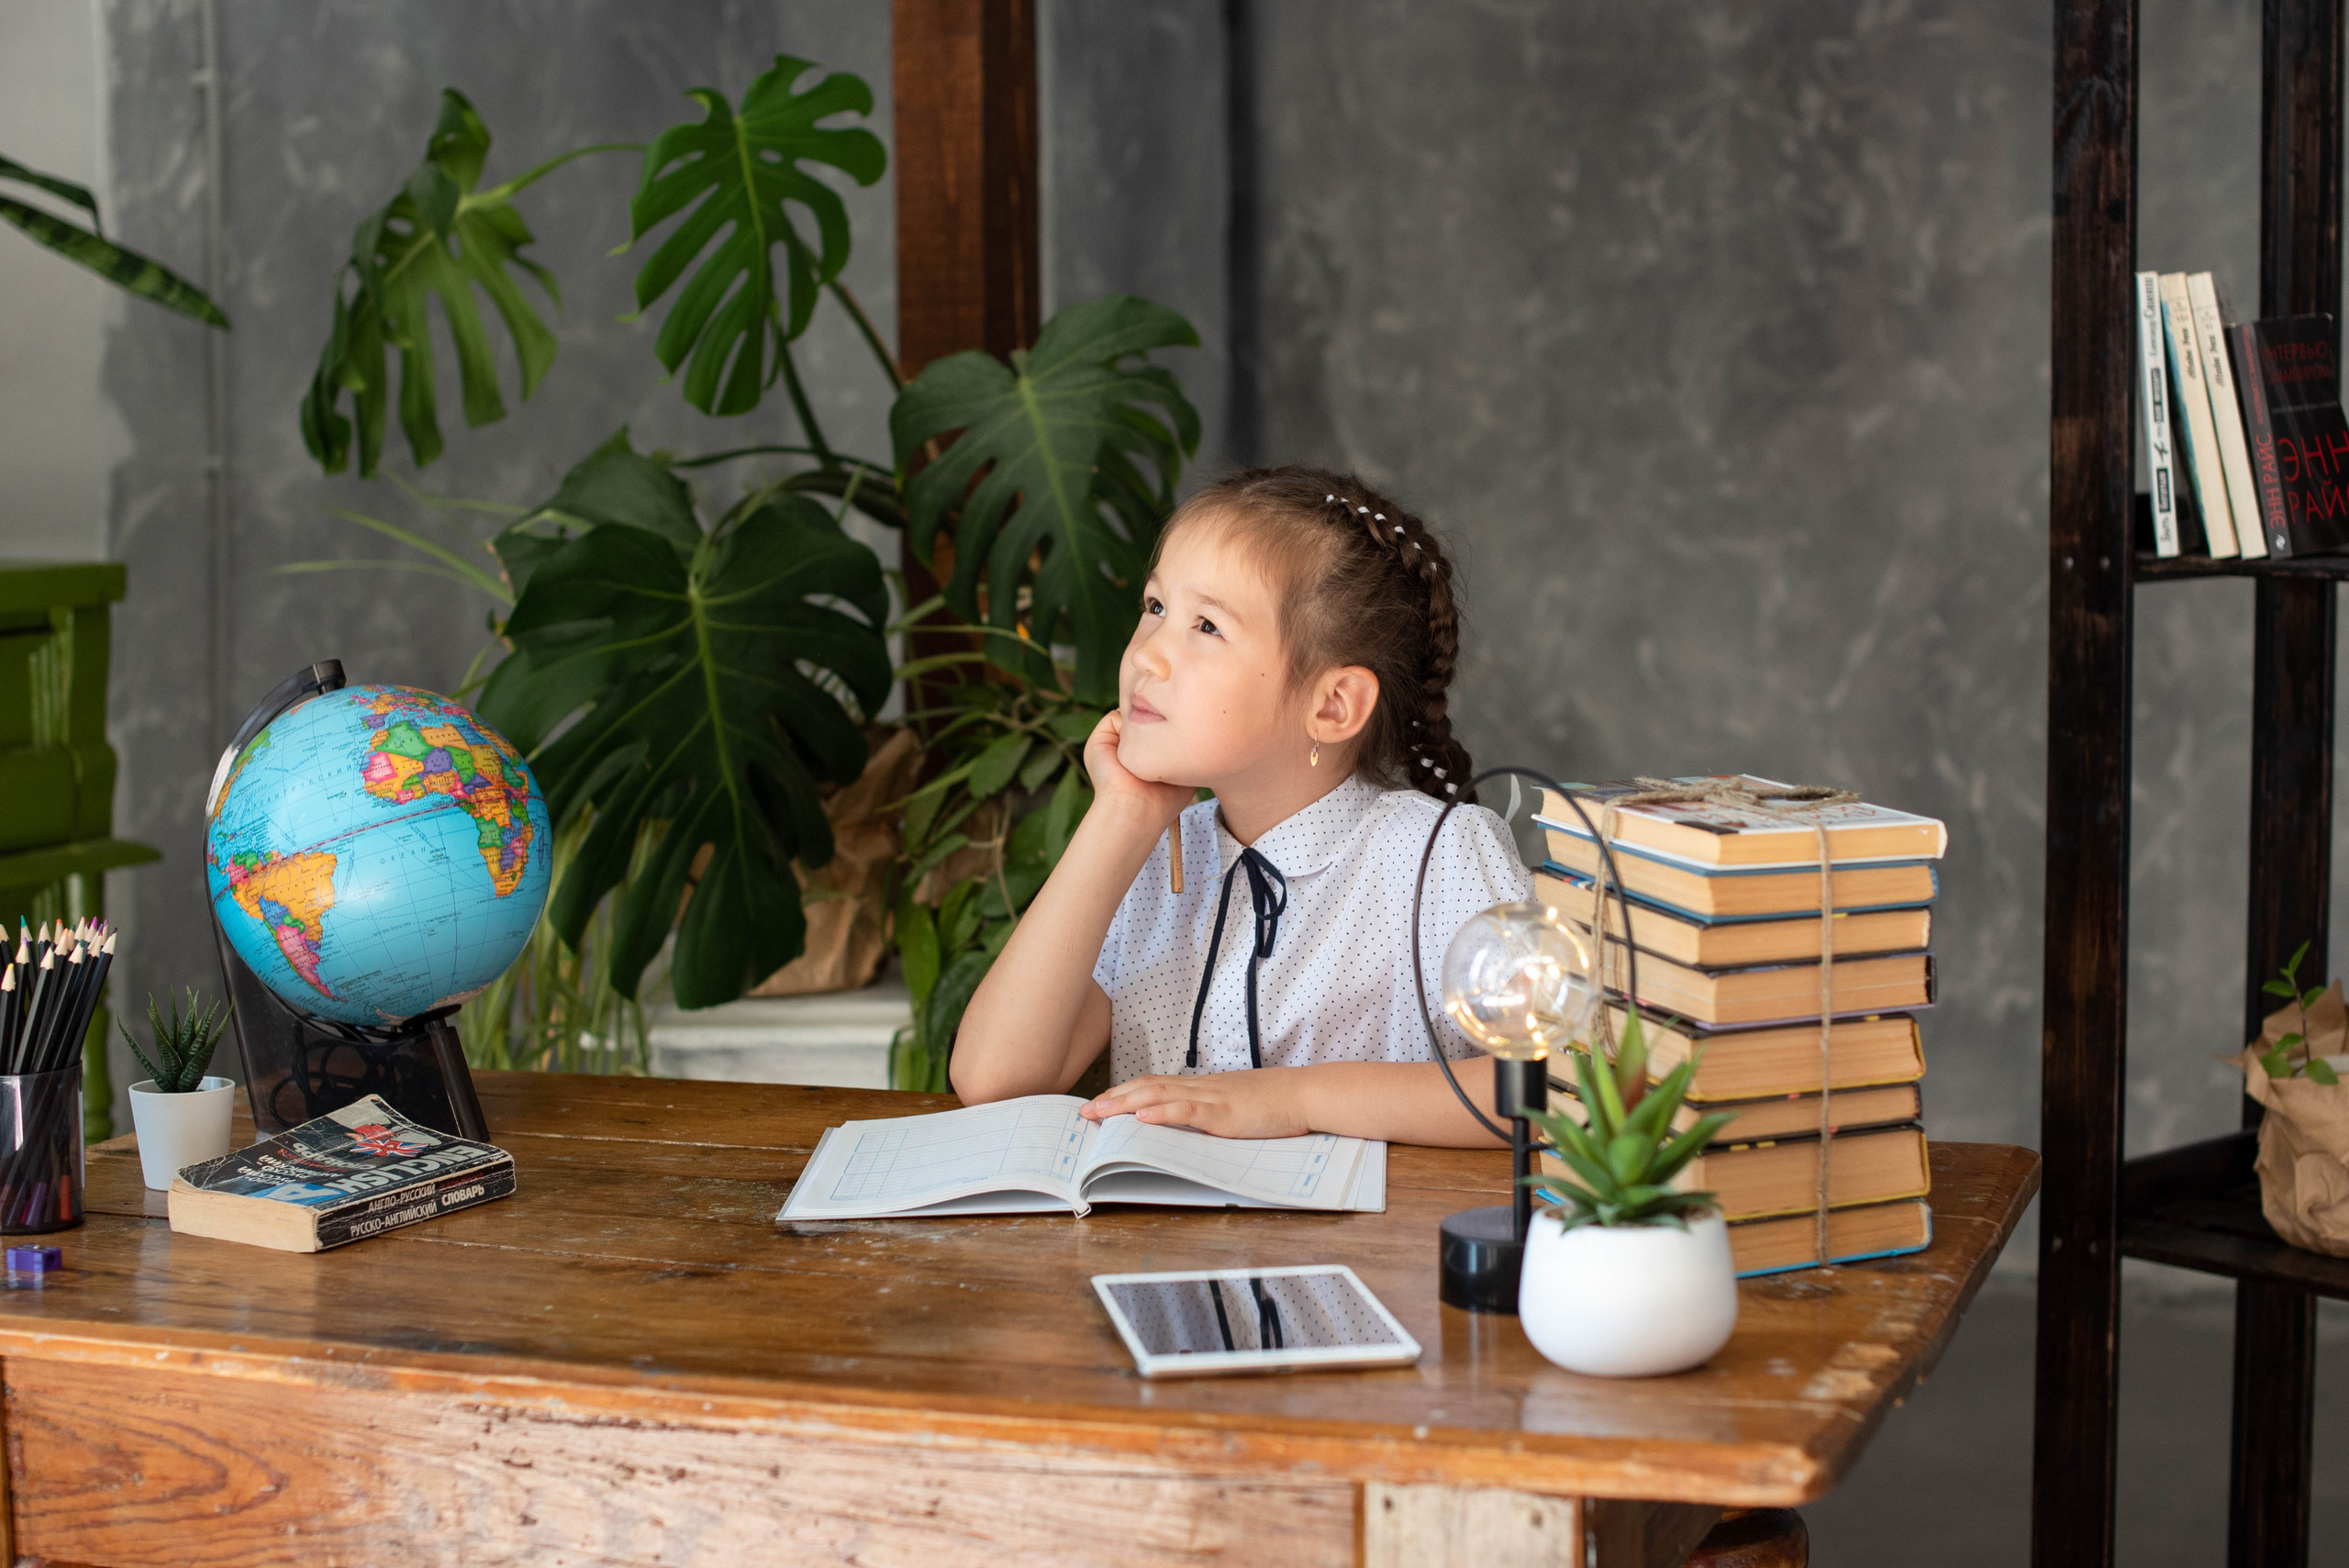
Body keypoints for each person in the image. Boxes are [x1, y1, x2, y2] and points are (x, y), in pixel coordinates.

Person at [950, 465, 1529, 1146]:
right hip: (1163, 1248)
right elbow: (994, 1078)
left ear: (1333, 706)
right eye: (1156, 606)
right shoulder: (1154, 852)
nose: (1147, 658)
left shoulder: (1443, 857)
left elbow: (1559, 1088)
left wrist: (1293, 1098)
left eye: (1206, 626)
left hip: (1370, 1249)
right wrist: (1122, 815)